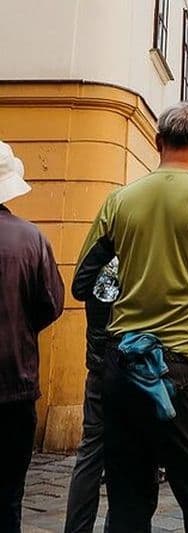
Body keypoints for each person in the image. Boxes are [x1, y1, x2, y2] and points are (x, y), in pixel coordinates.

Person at [72, 102, 188, 532]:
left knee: (128, 503)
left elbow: (83, 281)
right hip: (187, 366)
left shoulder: (119, 200)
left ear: (158, 143)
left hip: (123, 365)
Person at [0, 141, 65, 533]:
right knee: (9, 495)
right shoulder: (31, 239)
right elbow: (51, 304)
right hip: (15, 385)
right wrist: (22, 328)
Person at [64, 258, 118, 533]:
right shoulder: (134, 256)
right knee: (130, 457)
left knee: (90, 454)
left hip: (98, 366)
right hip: (129, 366)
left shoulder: (99, 256)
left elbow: (79, 287)